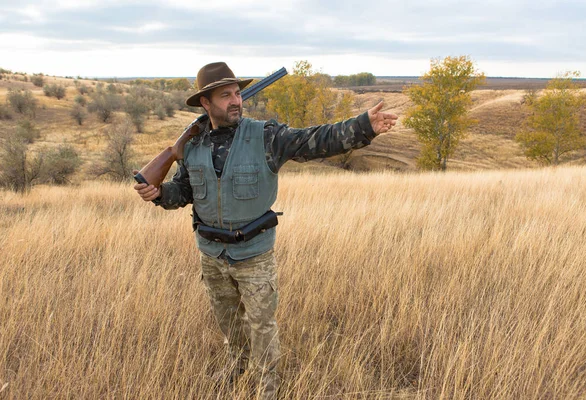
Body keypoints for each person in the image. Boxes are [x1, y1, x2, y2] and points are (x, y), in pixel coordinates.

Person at [134, 62, 398, 399]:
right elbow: (183, 194)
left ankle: (266, 389)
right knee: (230, 324)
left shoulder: (266, 136)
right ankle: (237, 368)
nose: (236, 101)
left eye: (238, 94)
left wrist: (364, 127)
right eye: (225, 95)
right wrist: (158, 195)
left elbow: (315, 140)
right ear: (205, 103)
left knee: (262, 328)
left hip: (254, 256)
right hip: (211, 256)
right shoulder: (193, 147)